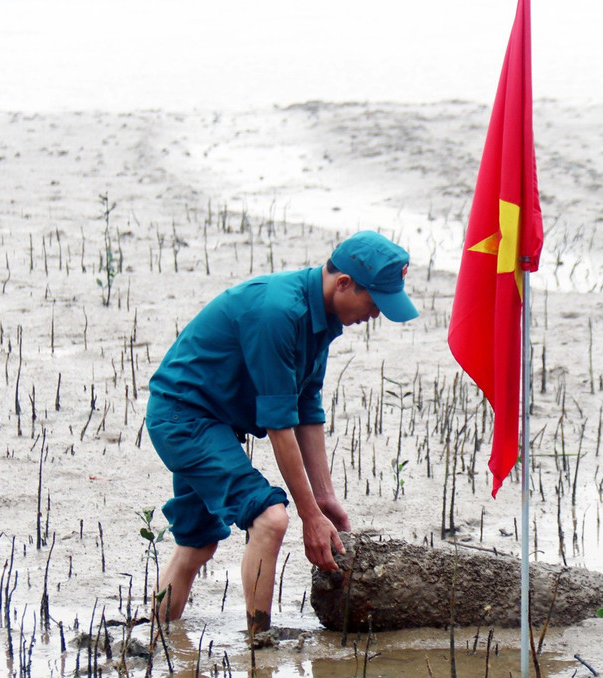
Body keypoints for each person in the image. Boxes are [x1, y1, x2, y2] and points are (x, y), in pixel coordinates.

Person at [145, 231, 417, 639]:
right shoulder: (278, 313)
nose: (375, 314)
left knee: (197, 544)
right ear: (343, 283)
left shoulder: (321, 318)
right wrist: (309, 516)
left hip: (213, 422)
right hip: (184, 418)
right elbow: (278, 425)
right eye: (374, 302)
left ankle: (156, 636)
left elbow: (306, 406)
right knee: (271, 520)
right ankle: (260, 642)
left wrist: (324, 499)